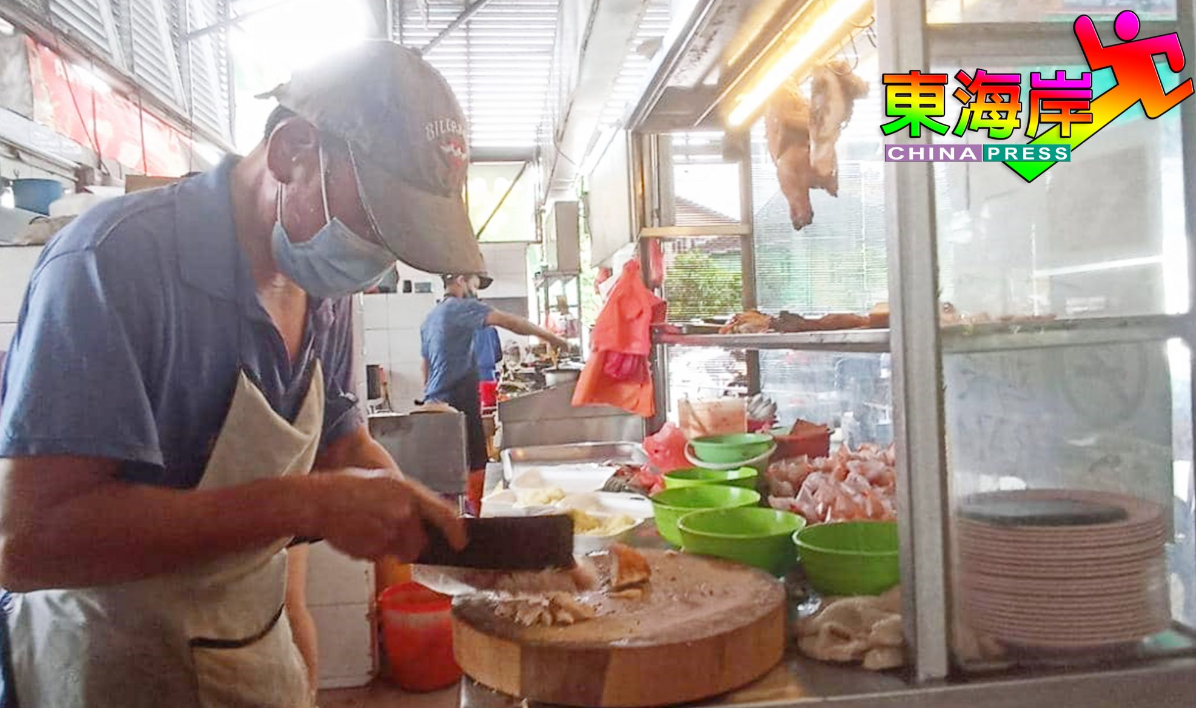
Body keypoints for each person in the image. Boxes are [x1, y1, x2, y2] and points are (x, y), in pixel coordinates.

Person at [0, 41, 480, 708]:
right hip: (111, 672)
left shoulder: (323, 291)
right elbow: (27, 543)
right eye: (377, 222)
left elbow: (338, 445)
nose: (383, 255)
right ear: (291, 152)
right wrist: (305, 504)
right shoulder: (112, 264)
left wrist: (420, 514)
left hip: (249, 654)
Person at [421, 273, 568, 511]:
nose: (477, 291)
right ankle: (472, 525)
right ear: (461, 279)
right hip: (458, 402)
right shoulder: (461, 307)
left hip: (436, 403)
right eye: (475, 283)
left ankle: (456, 525)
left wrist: (429, 403)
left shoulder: (431, 317)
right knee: (475, 466)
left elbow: (425, 366)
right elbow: (510, 321)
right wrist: (552, 338)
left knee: (447, 478)